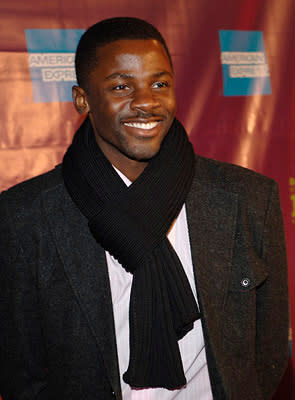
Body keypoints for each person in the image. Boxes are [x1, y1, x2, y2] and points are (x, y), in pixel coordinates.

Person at [0, 17, 289, 400]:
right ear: (82, 99)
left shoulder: (249, 198)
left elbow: (267, 352)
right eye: (121, 85)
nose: (147, 101)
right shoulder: (25, 217)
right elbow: (21, 371)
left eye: (160, 83)